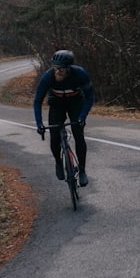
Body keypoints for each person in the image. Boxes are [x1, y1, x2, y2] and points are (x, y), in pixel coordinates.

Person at [34, 49, 95, 187]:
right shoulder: (48, 77)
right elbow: (37, 101)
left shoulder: (80, 74)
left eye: (60, 69)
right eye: (55, 67)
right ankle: (58, 162)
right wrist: (39, 123)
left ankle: (83, 171)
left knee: (78, 134)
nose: (57, 71)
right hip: (56, 104)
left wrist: (82, 116)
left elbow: (90, 98)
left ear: (68, 69)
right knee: (54, 136)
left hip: (75, 103)